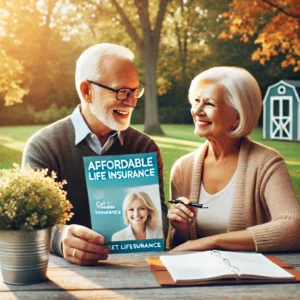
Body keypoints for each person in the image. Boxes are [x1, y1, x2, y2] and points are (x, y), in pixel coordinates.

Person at [22, 43, 168, 265]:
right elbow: (29, 224)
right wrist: (60, 238)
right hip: (67, 276)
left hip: (136, 271)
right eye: (122, 91)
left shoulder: (145, 148)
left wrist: (167, 224)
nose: (131, 102)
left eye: (135, 90)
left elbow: (160, 218)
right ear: (86, 91)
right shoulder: (44, 147)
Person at [167, 66, 300, 253]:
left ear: (236, 117)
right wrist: (181, 228)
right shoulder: (183, 168)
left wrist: (212, 242)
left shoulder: (267, 163)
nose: (197, 110)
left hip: (253, 278)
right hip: (196, 278)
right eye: (196, 101)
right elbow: (179, 248)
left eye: (209, 104)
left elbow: (294, 227)